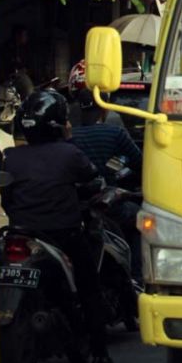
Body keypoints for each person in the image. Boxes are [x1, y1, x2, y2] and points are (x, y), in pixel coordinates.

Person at [0, 90, 116, 363]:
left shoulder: (10, 157)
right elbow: (94, 181)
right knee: (89, 288)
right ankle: (100, 354)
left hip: (19, 234)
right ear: (58, 123)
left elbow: (7, 197)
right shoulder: (69, 154)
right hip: (62, 235)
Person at [69, 88, 143, 280]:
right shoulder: (115, 133)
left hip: (74, 208)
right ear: (105, 110)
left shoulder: (69, 137)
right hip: (108, 207)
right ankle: (135, 278)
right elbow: (141, 163)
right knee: (141, 220)